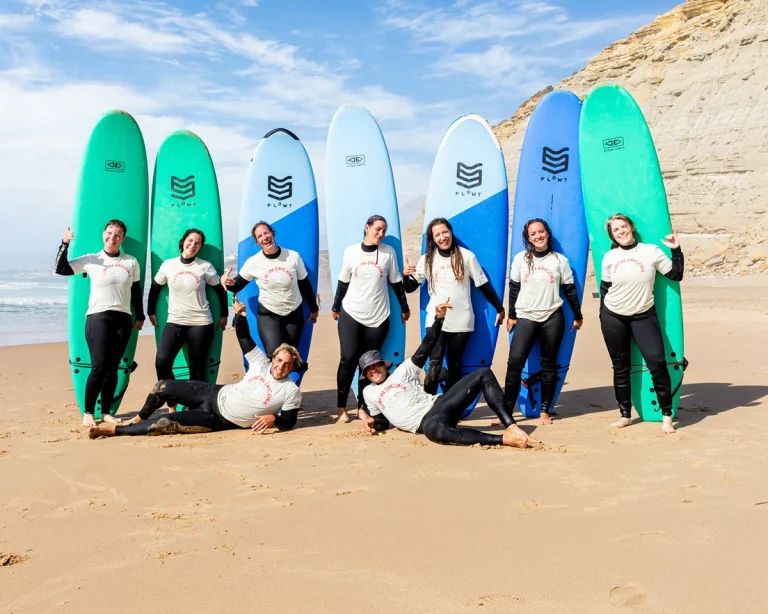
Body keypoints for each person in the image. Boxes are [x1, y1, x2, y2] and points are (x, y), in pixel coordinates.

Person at [88, 298, 302, 439]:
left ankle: (116, 430)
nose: (281, 367)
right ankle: (137, 419)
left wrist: (275, 419)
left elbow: (290, 421)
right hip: (213, 393)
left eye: (287, 364)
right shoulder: (260, 363)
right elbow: (244, 337)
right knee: (163, 386)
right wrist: (240, 316)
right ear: (273, 358)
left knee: (166, 423)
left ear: (292, 367)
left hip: (219, 419)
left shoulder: (290, 390)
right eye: (279, 360)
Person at [359, 300, 540, 448]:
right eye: (368, 370)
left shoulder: (403, 370)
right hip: (425, 424)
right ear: (365, 375)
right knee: (434, 431)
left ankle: (511, 426)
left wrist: (439, 319)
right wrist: (371, 422)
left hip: (440, 405)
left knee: (483, 373)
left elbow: (426, 346)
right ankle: (502, 440)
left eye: (375, 365)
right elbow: (383, 421)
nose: (373, 370)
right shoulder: (369, 393)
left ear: (384, 365)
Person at [599, 213, 684, 434]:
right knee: (621, 367)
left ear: (632, 227)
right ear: (612, 235)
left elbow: (676, 274)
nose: (621, 231)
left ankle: (667, 416)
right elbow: (605, 288)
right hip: (613, 316)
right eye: (616, 230)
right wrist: (603, 315)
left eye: (623, 226)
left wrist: (676, 249)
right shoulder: (609, 257)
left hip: (643, 315)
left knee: (656, 363)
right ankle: (625, 414)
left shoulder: (650, 251)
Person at [55, 220, 145, 428]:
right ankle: (88, 412)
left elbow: (136, 291)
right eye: (109, 233)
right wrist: (64, 243)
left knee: (113, 368)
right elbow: (61, 269)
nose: (112, 238)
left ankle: (105, 412)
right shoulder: (91, 260)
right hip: (98, 318)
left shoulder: (131, 262)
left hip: (122, 318)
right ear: (103, 234)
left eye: (117, 235)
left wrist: (139, 316)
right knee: (99, 367)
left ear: (123, 239)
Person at [403, 217, 504, 394]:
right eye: (437, 234)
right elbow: (410, 287)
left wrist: (500, 308)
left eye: (445, 232)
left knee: (456, 365)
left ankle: (448, 410)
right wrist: (406, 275)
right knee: (434, 366)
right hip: (436, 319)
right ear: (432, 239)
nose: (442, 237)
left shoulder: (466, 256)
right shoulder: (427, 259)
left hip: (462, 319)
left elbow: (483, 284)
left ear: (451, 232)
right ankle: (427, 409)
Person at [504, 218, 583, 425]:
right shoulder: (520, 259)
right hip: (526, 316)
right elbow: (514, 288)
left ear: (547, 233)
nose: (538, 236)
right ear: (528, 237)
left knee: (549, 366)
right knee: (514, 364)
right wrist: (511, 315)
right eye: (533, 234)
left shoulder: (559, 261)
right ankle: (506, 412)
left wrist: (577, 315)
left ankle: (545, 411)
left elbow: (570, 290)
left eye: (541, 232)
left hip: (552, 317)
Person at [332, 215, 410, 424]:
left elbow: (396, 282)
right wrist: (335, 306)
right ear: (367, 228)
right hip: (352, 312)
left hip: (378, 316)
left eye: (384, 230)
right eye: (377, 229)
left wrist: (404, 307)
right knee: (348, 359)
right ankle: (341, 408)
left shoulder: (388, 253)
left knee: (369, 363)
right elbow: (343, 281)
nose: (381, 234)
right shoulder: (351, 251)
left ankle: (362, 407)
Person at [147, 228, 228, 410]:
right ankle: (172, 402)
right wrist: (150, 311)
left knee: (197, 367)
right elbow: (155, 287)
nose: (193, 245)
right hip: (175, 320)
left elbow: (219, 290)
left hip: (201, 322)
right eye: (190, 241)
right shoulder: (168, 265)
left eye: (197, 243)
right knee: (162, 361)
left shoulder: (204, 266)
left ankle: (196, 407)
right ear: (183, 241)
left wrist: (224, 315)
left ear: (200, 247)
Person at [222, 221, 319, 358]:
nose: (265, 237)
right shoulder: (253, 262)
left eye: (266, 233)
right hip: (269, 314)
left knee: (289, 357)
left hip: (294, 313)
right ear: (257, 242)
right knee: (274, 355)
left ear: (272, 234)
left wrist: (314, 309)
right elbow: (236, 286)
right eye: (260, 236)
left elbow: (305, 284)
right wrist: (225, 282)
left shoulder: (293, 256)